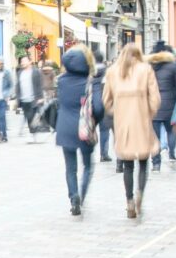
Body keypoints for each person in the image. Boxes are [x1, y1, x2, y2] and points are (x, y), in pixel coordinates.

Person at [103, 43, 160, 219]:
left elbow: (106, 100)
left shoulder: (113, 71)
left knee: (127, 164)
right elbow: (155, 98)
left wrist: (117, 110)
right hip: (141, 119)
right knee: (143, 161)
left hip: (123, 122)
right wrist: (148, 112)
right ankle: (140, 192)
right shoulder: (146, 69)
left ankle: (129, 200)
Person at [55, 46, 104, 215]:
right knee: (88, 166)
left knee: (70, 168)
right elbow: (98, 107)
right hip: (84, 128)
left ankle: (73, 196)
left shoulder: (60, 80)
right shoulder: (92, 81)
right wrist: (95, 121)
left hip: (64, 127)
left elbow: (58, 103)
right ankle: (81, 196)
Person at [146, 41, 176, 172]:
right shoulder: (173, 66)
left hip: (153, 105)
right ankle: (171, 154)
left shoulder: (149, 67)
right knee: (171, 131)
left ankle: (156, 163)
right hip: (170, 105)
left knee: (154, 136)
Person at [14, 56, 44, 141]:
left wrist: (41, 97)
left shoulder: (35, 72)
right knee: (28, 117)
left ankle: (34, 133)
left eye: (24, 61)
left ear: (30, 62)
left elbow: (39, 85)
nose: (22, 63)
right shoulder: (20, 73)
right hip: (24, 99)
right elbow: (18, 86)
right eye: (22, 61)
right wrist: (17, 97)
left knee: (32, 116)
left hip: (34, 99)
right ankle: (33, 133)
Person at [96, 49, 114, 162]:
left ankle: (89, 152)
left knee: (89, 129)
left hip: (92, 104)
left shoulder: (89, 72)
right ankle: (104, 153)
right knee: (106, 130)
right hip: (105, 103)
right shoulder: (108, 71)